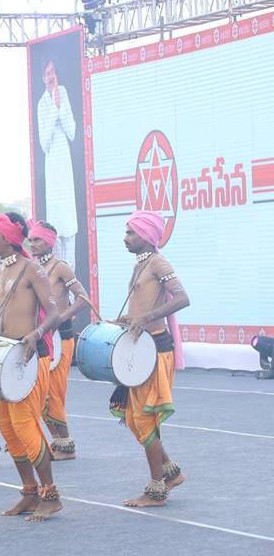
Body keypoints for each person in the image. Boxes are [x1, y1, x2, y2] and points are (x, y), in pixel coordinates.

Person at [0, 213, 61, 522]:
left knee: (27, 426)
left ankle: (51, 494)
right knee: (8, 428)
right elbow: (3, 315)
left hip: (31, 355)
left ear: (7, 238)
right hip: (8, 357)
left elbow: (55, 313)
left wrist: (35, 334)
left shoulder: (34, 269)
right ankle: (29, 492)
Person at [115, 211, 190, 508]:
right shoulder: (141, 264)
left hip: (156, 350)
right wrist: (128, 319)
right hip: (142, 348)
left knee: (144, 418)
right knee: (134, 419)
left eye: (131, 232)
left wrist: (146, 317)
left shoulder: (158, 262)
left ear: (146, 236)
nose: (126, 237)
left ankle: (157, 489)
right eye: (126, 231)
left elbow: (182, 298)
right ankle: (170, 472)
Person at [28, 220, 91, 461]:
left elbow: (83, 298)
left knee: (53, 392)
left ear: (49, 243)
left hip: (60, 335)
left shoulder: (61, 267)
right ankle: (58, 441)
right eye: (31, 239)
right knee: (41, 391)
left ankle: (66, 445)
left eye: (37, 240)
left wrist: (60, 317)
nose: (32, 244)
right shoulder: (32, 267)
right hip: (40, 335)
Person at [36, 59, 78, 269]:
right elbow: (44, 142)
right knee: (57, 232)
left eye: (53, 72)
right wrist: (54, 107)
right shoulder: (42, 103)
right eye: (47, 73)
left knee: (70, 230)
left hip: (65, 167)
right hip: (52, 168)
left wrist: (60, 103)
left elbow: (72, 131)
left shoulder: (63, 93)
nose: (50, 76)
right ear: (43, 77)